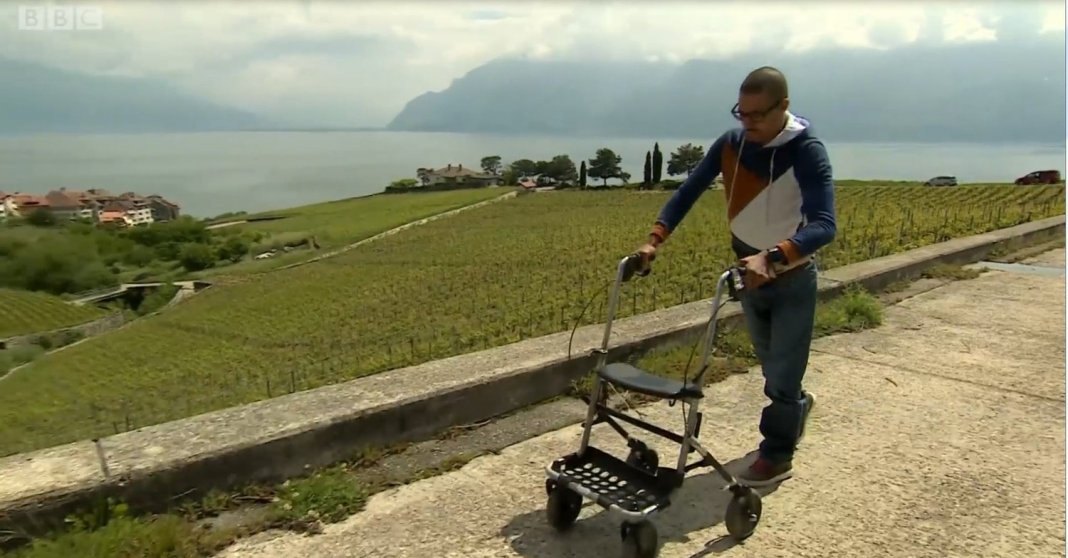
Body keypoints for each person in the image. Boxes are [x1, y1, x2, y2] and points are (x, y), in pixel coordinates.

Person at [636, 66, 837, 487]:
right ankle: (795, 406)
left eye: (757, 115)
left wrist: (775, 257)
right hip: (747, 271)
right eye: (740, 113)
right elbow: (688, 191)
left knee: (782, 372)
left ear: (783, 106)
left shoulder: (806, 150)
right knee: (772, 364)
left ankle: (777, 453)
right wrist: (655, 239)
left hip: (790, 275)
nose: (747, 123)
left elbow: (824, 225)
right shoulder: (732, 144)